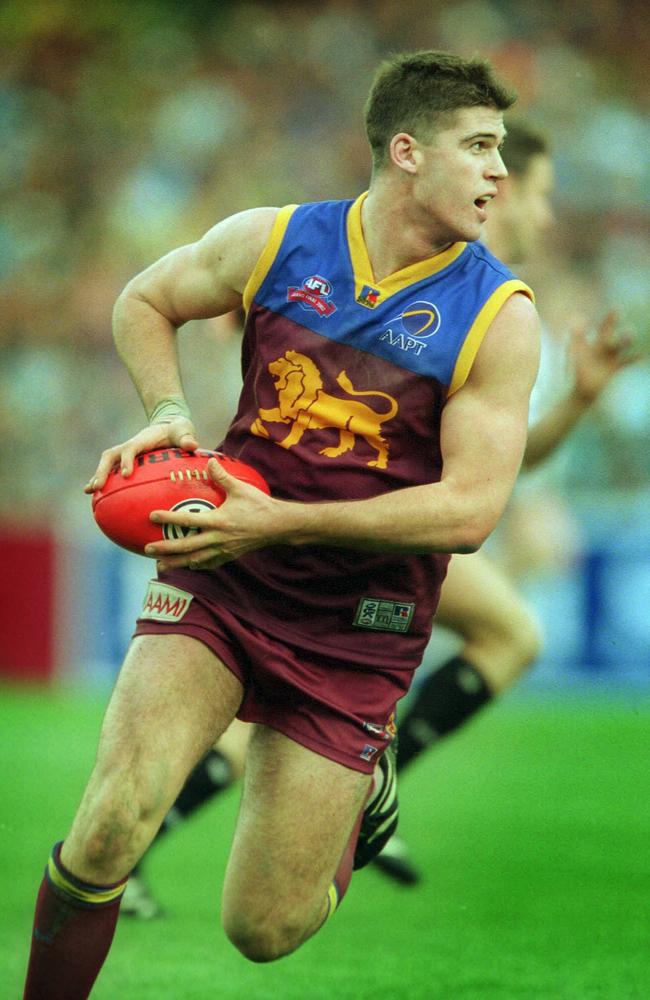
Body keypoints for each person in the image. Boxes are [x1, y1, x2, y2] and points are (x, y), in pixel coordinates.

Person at [23, 50, 540, 997]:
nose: (500, 170)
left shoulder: (498, 316)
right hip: (222, 576)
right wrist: (168, 414)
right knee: (108, 826)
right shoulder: (276, 242)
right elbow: (146, 298)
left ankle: (365, 789)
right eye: (480, 146)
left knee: (263, 930)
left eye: (500, 149)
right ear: (407, 151)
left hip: (360, 629)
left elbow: (470, 511)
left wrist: (280, 522)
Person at [372, 119, 637, 884]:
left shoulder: (499, 298)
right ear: (505, 187)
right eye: (545, 194)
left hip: (404, 521)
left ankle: (365, 787)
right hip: (380, 518)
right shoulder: (463, 282)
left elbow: (507, 457)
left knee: (506, 635)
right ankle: (366, 788)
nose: (549, 216)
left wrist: (579, 403)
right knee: (507, 634)